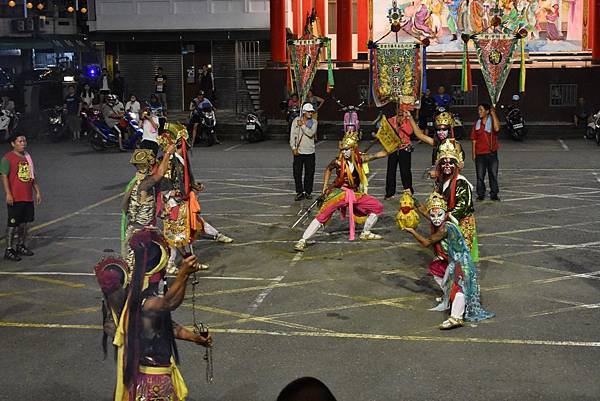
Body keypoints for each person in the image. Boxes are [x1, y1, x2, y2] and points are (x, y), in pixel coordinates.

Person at [112, 228, 212, 401]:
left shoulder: (144, 296)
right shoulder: (144, 301)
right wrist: (182, 274)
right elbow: (168, 303)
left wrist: (194, 338)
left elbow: (167, 320)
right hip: (152, 383)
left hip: (159, 378)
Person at [403, 192, 494, 329]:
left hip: (460, 262)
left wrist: (412, 231)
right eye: (432, 216)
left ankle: (456, 317)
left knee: (458, 287)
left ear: (445, 215)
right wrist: (412, 197)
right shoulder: (439, 219)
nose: (435, 219)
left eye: (439, 215)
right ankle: (447, 295)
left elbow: (427, 242)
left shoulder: (445, 227)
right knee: (436, 267)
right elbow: (424, 211)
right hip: (449, 259)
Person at [294, 131, 389, 252]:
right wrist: (325, 186)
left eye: (346, 149)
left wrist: (392, 145)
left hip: (355, 194)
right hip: (339, 194)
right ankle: (303, 240)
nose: (344, 152)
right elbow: (328, 169)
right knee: (323, 216)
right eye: (342, 149)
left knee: (377, 206)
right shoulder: (338, 162)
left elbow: (380, 154)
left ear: (353, 149)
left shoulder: (360, 159)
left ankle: (365, 232)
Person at [157, 124, 233, 273]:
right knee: (177, 235)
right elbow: (163, 183)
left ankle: (187, 262)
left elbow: (183, 181)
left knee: (185, 233)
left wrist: (193, 186)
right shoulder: (170, 162)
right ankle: (172, 264)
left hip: (184, 202)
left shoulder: (181, 160)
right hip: (174, 204)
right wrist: (169, 194)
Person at [121, 146, 175, 267]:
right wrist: (167, 154)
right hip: (140, 230)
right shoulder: (144, 184)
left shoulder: (140, 181)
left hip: (141, 228)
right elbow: (161, 173)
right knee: (136, 264)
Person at [433, 139, 479, 262]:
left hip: (460, 223)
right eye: (444, 163)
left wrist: (448, 215)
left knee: (460, 258)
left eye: (450, 163)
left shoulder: (461, 182)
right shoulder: (441, 182)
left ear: (456, 165)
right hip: (446, 220)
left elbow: (463, 205)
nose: (447, 166)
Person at [1, 136, 42, 261]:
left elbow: (32, 176)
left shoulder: (28, 158)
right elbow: (4, 176)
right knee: (12, 224)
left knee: (24, 224)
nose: (23, 143)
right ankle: (9, 249)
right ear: (13, 143)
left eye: (24, 141)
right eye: (20, 141)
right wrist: (8, 193)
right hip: (15, 197)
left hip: (27, 197)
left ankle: (20, 245)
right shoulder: (7, 158)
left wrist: (38, 191)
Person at [470, 103, 501, 201]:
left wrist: (493, 114)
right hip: (480, 154)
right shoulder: (477, 124)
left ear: (487, 111)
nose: (479, 112)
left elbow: (497, 128)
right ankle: (480, 194)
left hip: (491, 153)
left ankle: (494, 194)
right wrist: (473, 153)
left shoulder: (492, 122)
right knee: (480, 176)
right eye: (478, 110)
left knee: (493, 174)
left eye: (481, 110)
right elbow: (474, 139)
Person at [290, 103, 317, 201]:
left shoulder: (313, 122)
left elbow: (310, 133)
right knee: (297, 173)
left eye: (311, 112)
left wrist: (303, 126)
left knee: (309, 173)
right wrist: (293, 147)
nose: (311, 113)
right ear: (304, 112)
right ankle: (299, 192)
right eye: (309, 111)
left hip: (310, 152)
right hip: (299, 152)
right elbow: (292, 135)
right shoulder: (296, 121)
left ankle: (308, 192)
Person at [384, 109, 414, 200]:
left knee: (405, 171)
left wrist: (402, 124)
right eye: (399, 110)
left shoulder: (408, 120)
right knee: (391, 171)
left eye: (403, 110)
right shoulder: (390, 120)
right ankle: (389, 193)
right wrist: (395, 125)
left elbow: (410, 132)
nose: (401, 112)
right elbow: (386, 132)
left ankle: (408, 190)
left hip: (404, 148)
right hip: (393, 147)